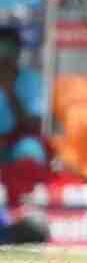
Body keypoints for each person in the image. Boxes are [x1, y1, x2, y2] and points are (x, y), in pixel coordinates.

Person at [0, 25, 46, 167]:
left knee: (31, 149)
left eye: (10, 51)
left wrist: (10, 91)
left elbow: (35, 126)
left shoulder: (32, 80)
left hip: (17, 143)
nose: (4, 58)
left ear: (18, 52)